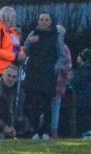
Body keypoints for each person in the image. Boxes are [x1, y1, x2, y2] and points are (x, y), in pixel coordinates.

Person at [21, 12, 63, 140]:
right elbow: (24, 50)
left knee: (47, 103)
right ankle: (34, 131)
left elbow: (61, 54)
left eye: (46, 19)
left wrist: (56, 68)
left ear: (51, 22)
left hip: (48, 73)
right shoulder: (33, 34)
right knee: (33, 103)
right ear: (38, 21)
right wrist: (28, 41)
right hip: (33, 72)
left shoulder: (56, 35)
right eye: (41, 19)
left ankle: (46, 131)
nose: (44, 22)